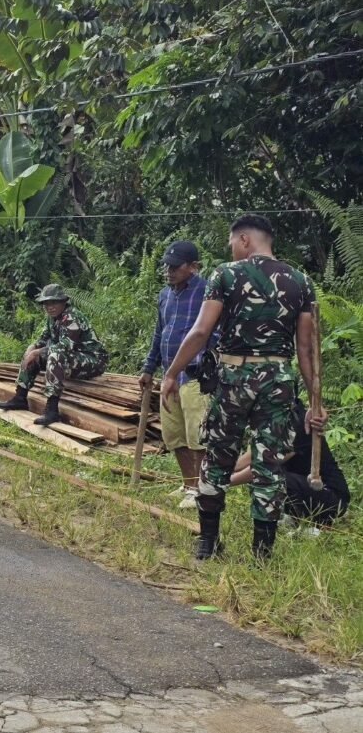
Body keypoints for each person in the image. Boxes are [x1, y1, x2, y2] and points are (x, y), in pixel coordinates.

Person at [161, 214, 325, 561]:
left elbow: (201, 332)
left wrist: (172, 372)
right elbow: (306, 350)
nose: (231, 248)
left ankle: (208, 544)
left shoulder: (225, 275)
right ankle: (261, 555)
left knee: (218, 458)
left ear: (245, 240)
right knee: (270, 465)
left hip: (234, 378)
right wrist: (315, 401)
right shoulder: (301, 282)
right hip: (278, 382)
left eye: (232, 242)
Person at [140, 241, 214, 509]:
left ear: (193, 267)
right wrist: (149, 368)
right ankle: (188, 484)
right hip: (169, 374)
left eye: (175, 267)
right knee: (174, 435)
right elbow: (160, 333)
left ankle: (202, 489)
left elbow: (214, 332)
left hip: (195, 376)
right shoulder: (165, 295)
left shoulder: (207, 292)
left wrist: (210, 362)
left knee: (197, 435)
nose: (168, 271)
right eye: (166, 266)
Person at [0, 284, 109, 426]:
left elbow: (66, 346)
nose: (50, 307)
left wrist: (38, 352)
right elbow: (43, 339)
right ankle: (20, 397)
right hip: (71, 358)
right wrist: (32, 348)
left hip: (93, 360)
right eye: (46, 303)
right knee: (32, 353)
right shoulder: (52, 318)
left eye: (54, 302)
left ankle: (52, 410)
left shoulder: (72, 317)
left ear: (63, 302)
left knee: (54, 355)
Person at [232, 399, 349, 527]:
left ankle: (318, 520)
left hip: (332, 497)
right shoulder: (273, 421)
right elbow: (254, 454)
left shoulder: (298, 423)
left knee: (268, 478)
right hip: (306, 486)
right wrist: (223, 469)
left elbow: (264, 465)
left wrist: (221, 481)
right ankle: (295, 518)